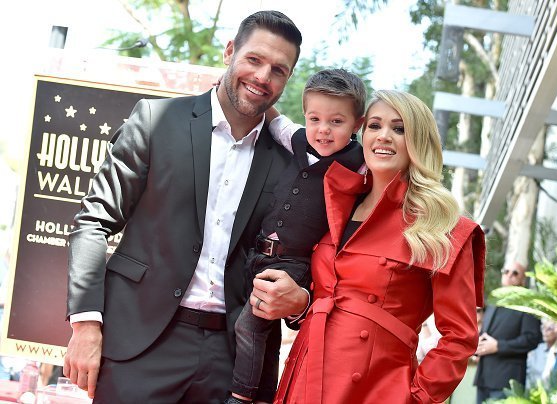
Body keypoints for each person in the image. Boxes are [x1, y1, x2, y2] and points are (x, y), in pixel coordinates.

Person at [64, 10, 310, 404]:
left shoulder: (289, 161)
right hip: (139, 345)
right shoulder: (155, 120)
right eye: (254, 59)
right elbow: (93, 222)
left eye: (279, 70)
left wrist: (300, 301)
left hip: (233, 362)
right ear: (230, 51)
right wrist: (87, 326)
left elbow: (299, 255)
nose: (264, 77)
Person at [274, 90, 486, 403]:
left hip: (376, 389)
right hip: (306, 373)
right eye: (375, 126)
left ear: (419, 141)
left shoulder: (444, 227)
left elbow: (460, 338)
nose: (384, 136)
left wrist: (416, 397)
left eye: (399, 129)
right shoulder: (334, 203)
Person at [228, 69, 366, 403]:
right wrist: (228, 80)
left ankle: (240, 397)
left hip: (293, 263)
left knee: (249, 325)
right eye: (315, 118)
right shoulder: (299, 138)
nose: (323, 130)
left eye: (336, 122)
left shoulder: (360, 164)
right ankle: (263, 396)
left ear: (356, 125)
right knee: (263, 332)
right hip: (258, 253)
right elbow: (274, 118)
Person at [473, 261, 542, 402]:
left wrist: (499, 346)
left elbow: (532, 339)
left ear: (523, 280)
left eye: (515, 273)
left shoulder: (528, 304)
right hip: (483, 378)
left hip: (507, 381)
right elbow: (486, 333)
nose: (509, 275)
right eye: (506, 271)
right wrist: (477, 346)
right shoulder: (494, 300)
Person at [525, 319, 557, 390]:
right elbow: (529, 377)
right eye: (543, 327)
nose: (545, 331)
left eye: (549, 328)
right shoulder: (535, 351)